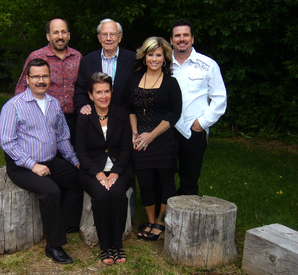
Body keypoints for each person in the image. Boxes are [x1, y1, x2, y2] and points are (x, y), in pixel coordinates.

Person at [0, 58, 83, 264]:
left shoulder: (54, 104)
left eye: (44, 76)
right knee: (51, 190)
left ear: (50, 78)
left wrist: (74, 160)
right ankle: (53, 245)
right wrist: (32, 165)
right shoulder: (14, 106)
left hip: (50, 160)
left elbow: (62, 136)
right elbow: (7, 142)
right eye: (35, 77)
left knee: (79, 179)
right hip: (22, 166)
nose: (40, 80)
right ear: (27, 79)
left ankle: (65, 223)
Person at [74, 18, 137, 217]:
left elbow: (137, 90)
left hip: (125, 119)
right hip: (97, 120)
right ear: (99, 37)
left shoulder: (133, 59)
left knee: (127, 162)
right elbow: (80, 90)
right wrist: (83, 107)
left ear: (120, 37)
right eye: (104, 34)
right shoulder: (88, 60)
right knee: (97, 156)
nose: (108, 38)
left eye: (112, 34)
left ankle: (128, 211)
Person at [126, 37, 182, 241]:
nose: (154, 59)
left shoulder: (171, 83)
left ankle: (160, 222)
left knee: (166, 183)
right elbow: (130, 109)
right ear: (144, 56)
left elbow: (175, 113)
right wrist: (135, 132)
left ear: (165, 58)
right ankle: (150, 221)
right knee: (145, 183)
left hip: (162, 141)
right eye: (150, 54)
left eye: (158, 55)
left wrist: (151, 135)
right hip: (139, 141)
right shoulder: (134, 79)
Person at [76, 72, 133, 265]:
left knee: (117, 194)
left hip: (120, 168)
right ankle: (105, 246)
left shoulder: (121, 115)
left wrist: (115, 172)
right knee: (100, 196)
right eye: (98, 92)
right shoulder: (84, 117)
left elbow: (126, 149)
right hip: (92, 170)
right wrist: (98, 173)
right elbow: (81, 152)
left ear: (112, 92)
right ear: (90, 95)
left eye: (106, 91)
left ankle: (117, 245)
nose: (103, 96)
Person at [170, 19, 227, 195]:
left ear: (192, 39)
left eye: (185, 35)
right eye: (177, 35)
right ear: (171, 40)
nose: (181, 39)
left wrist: (201, 123)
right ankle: (162, 215)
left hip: (193, 130)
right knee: (163, 175)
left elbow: (220, 98)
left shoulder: (207, 65)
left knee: (189, 178)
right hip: (165, 129)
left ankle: (186, 215)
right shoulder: (162, 64)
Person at [15, 18, 82, 145]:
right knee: (47, 158)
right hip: (42, 120)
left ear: (69, 35)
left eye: (63, 32)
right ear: (48, 36)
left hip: (72, 120)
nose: (60, 36)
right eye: (55, 32)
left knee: (71, 158)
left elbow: (82, 87)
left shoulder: (77, 57)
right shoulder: (36, 57)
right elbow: (21, 88)